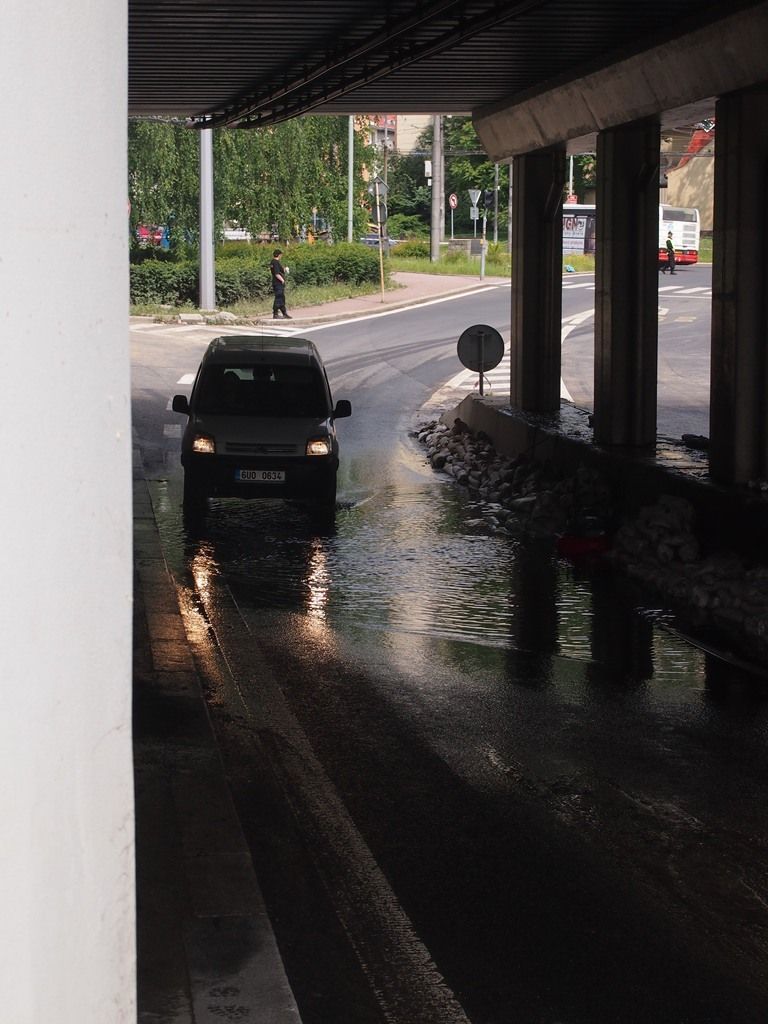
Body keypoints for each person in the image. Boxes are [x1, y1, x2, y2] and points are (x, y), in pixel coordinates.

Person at [270, 248, 292, 318]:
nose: (281, 256)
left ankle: (284, 313)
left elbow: (279, 271)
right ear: (279, 255)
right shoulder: (275, 262)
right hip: (278, 283)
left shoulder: (273, 262)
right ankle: (275, 313)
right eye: (281, 255)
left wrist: (284, 269)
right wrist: (282, 280)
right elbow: (276, 273)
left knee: (282, 297)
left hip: (277, 283)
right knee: (279, 297)